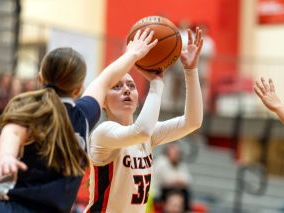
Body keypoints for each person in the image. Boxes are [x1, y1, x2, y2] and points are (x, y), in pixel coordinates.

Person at [0, 28, 157, 213]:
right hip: (10, 207)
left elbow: (13, 131)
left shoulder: (44, 106)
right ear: (78, 88)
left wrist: (6, 155)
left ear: (40, 79)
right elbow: (105, 80)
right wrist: (133, 54)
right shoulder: (80, 115)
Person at [85, 27, 203, 213]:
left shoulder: (147, 134)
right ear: (103, 102)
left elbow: (192, 122)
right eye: (116, 86)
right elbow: (142, 131)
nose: (126, 90)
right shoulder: (103, 133)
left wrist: (190, 70)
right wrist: (156, 85)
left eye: (131, 85)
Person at [153, 143, 192, 211]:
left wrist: (177, 181)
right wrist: (178, 181)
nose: (177, 154)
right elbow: (167, 180)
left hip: (175, 190)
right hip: (160, 191)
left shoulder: (181, 164)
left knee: (186, 193)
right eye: (175, 152)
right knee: (175, 194)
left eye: (178, 153)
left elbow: (188, 180)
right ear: (168, 152)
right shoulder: (161, 162)